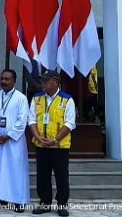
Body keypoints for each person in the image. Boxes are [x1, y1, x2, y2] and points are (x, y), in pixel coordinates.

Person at [29, 70, 76, 217]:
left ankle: (62, 204)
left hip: (59, 146)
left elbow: (70, 123)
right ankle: (44, 202)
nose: (42, 83)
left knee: (61, 175)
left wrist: (55, 140)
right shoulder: (37, 98)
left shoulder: (67, 100)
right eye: (42, 80)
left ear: (55, 82)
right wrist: (37, 136)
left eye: (46, 80)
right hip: (41, 144)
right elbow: (31, 119)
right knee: (42, 175)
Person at [0, 69, 29, 213]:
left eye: (7, 79)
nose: (3, 81)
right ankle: (1, 198)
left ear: (14, 81)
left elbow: (22, 120)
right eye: (2, 79)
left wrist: (8, 135)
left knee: (15, 170)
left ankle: (18, 201)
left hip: (13, 142)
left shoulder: (21, 98)